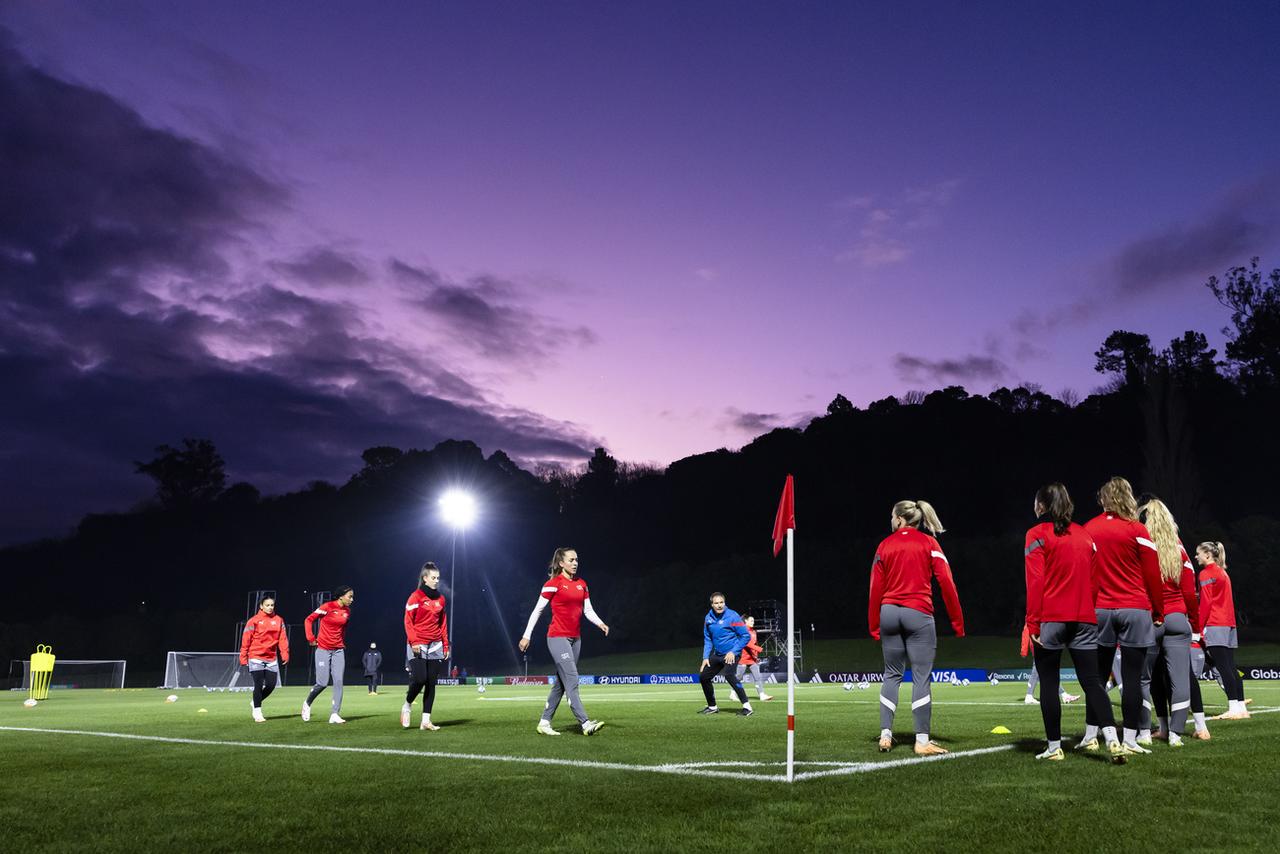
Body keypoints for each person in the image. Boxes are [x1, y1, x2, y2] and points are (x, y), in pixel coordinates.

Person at [1024, 483, 1126, 763]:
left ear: (1042, 506)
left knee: (1048, 682)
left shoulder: (1036, 534)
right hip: (1084, 617)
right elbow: (1095, 583)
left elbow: (1035, 582)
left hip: (1051, 619)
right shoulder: (1085, 535)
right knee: (1092, 682)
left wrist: (1032, 623)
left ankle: (1054, 748)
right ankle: (1113, 742)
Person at [868, 499, 964, 755]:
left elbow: (875, 588)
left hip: (888, 613)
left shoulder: (884, 545)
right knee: (921, 676)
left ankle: (886, 735)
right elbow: (947, 582)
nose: (891, 521)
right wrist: (957, 622)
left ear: (900, 519)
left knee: (891, 674)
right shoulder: (929, 543)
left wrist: (874, 624)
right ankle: (921, 741)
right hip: (918, 613)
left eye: (892, 517)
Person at [1082, 477, 1163, 755]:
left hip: (1100, 609)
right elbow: (1153, 575)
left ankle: (1091, 735)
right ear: (1127, 497)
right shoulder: (1138, 530)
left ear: (1103, 499)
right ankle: (1129, 739)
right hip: (1135, 608)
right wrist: (1159, 610)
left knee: (1097, 677)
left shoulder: (1088, 529)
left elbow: (1084, 572)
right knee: (1131, 678)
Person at [518, 547, 608, 736]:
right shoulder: (553, 584)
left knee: (561, 682)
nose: (575, 563)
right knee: (573, 678)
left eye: (577, 560)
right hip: (557, 637)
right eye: (571, 560)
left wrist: (600, 623)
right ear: (561, 563)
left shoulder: (582, 584)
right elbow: (537, 610)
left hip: (576, 639)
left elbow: (588, 610)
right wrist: (527, 635)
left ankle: (544, 722)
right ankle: (584, 722)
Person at [1136, 498, 1198, 746]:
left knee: (1142, 678)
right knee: (1179, 680)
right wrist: (1194, 623)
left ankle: (1142, 732)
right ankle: (1175, 734)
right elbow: (1189, 591)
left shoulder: (1141, 545)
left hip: (1151, 618)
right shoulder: (1178, 548)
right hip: (1177, 618)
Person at [1195, 542, 1249, 720]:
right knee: (1231, 667)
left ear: (1208, 555)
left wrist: (1198, 627)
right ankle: (1241, 707)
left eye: (1198, 554)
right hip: (1228, 623)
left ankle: (1233, 708)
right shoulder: (1222, 572)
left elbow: (1206, 603)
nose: (1196, 557)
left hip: (1215, 623)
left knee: (1223, 667)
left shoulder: (1206, 573)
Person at [403, 562, 449, 731]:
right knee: (420, 679)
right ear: (425, 579)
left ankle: (426, 721)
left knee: (431, 682)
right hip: (418, 643)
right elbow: (408, 621)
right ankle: (407, 704)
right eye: (433, 578)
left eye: (438, 578)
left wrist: (446, 645)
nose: (436, 581)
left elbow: (443, 623)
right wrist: (414, 641)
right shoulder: (415, 597)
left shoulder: (441, 599)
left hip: (436, 644)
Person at [303, 586, 354, 724]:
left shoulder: (347, 611)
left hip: (338, 650)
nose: (352, 599)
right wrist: (311, 638)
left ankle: (335, 714)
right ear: (341, 596)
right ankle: (307, 703)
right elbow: (308, 620)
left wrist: (342, 642)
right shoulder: (327, 606)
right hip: (323, 649)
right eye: (350, 596)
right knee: (322, 682)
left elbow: (343, 629)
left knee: (338, 681)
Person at [698, 593, 754, 716]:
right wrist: (705, 657)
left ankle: (747, 707)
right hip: (717, 654)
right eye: (716, 603)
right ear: (712, 604)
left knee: (729, 675)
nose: (719, 605)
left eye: (721, 602)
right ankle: (712, 707)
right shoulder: (708, 618)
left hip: (732, 654)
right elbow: (708, 639)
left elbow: (745, 636)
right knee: (703, 677)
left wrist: (733, 652)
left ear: (724, 602)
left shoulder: (733, 616)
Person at [239, 596, 290, 723]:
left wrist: (285, 654)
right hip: (255, 656)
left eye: (272, 605)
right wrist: (243, 657)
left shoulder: (279, 620)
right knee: (258, 684)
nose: (270, 607)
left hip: (271, 658)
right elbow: (246, 639)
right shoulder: (254, 621)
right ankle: (257, 712)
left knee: (271, 685)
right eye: (267, 605)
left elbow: (282, 639)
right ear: (261, 606)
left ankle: (255, 701)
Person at [1020, 625, 1079, 705]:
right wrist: (1024, 650)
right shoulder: (1036, 616)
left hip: (1041, 643)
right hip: (1039, 644)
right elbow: (1027, 631)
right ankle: (1029, 695)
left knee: (1044, 670)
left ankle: (1063, 694)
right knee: (1042, 670)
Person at [735, 615, 774, 702]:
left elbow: (754, 645)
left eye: (753, 621)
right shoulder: (743, 631)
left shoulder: (754, 632)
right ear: (746, 621)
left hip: (752, 659)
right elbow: (746, 644)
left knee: (758, 677)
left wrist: (756, 656)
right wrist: (758, 649)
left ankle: (762, 695)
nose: (753, 622)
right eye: (751, 621)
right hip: (743, 658)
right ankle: (733, 693)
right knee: (738, 678)